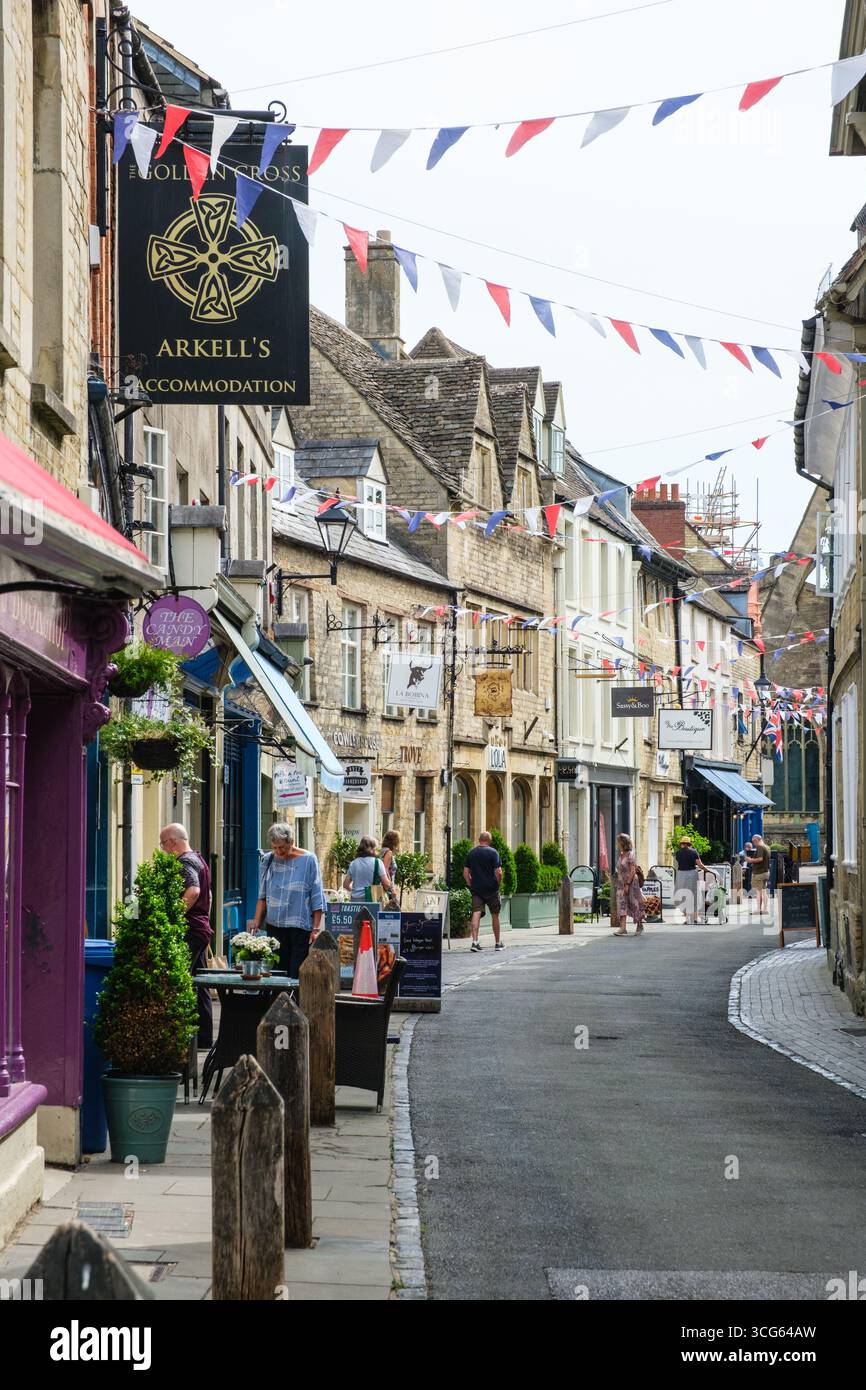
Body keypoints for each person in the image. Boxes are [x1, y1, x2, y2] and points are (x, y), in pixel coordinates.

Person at [159, 822, 213, 1048]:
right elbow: (208, 895)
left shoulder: (185, 862)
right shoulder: (199, 859)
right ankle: (204, 1038)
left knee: (178, 981)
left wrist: (173, 916)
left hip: (190, 930)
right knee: (199, 984)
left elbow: (194, 891)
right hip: (200, 928)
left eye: (163, 844)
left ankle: (180, 1039)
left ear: (172, 843)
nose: (162, 850)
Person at [251, 824, 326, 978]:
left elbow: (317, 895)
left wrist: (316, 928)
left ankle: (295, 1002)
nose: (278, 851)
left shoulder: (308, 860)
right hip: (275, 926)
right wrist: (256, 921)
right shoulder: (268, 860)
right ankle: (279, 1002)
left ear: (291, 842)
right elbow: (262, 895)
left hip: (300, 926)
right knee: (277, 972)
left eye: (282, 847)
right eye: (274, 847)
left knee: (296, 972)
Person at [463, 830, 504, 952]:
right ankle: (497, 943)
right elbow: (499, 872)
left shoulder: (471, 853)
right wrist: (498, 883)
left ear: (479, 840)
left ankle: (474, 942)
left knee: (476, 913)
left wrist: (470, 883)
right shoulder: (493, 852)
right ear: (489, 841)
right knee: (495, 915)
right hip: (491, 889)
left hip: (477, 889)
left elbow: (465, 873)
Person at [612, 833, 646, 936]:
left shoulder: (630, 855)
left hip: (631, 883)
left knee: (634, 903)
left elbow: (632, 870)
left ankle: (639, 925)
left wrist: (627, 884)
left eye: (618, 842)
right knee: (621, 903)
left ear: (623, 842)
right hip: (621, 884)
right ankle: (623, 928)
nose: (617, 844)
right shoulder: (621, 855)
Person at [343, 836, 395, 903]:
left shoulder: (353, 863)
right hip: (372, 901)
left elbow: (346, 885)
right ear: (372, 849)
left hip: (355, 902)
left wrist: (355, 891)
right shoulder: (377, 862)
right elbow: (386, 884)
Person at [674, 835, 709, 926]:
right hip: (692, 874)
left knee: (682, 895)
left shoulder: (677, 853)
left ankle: (686, 918)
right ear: (689, 844)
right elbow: (700, 865)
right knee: (694, 895)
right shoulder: (694, 852)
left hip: (681, 874)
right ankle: (695, 918)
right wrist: (707, 869)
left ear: (681, 844)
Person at [746, 834, 771, 917]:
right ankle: (765, 909)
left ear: (757, 840)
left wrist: (751, 860)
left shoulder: (760, 847)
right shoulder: (767, 847)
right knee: (764, 891)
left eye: (754, 841)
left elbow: (760, 859)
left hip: (759, 873)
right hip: (765, 872)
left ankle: (759, 909)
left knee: (759, 892)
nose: (753, 843)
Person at [380, 829, 401, 907]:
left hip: (382, 885)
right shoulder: (388, 852)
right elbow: (385, 870)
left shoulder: (381, 851)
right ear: (394, 841)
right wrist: (392, 889)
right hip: (387, 887)